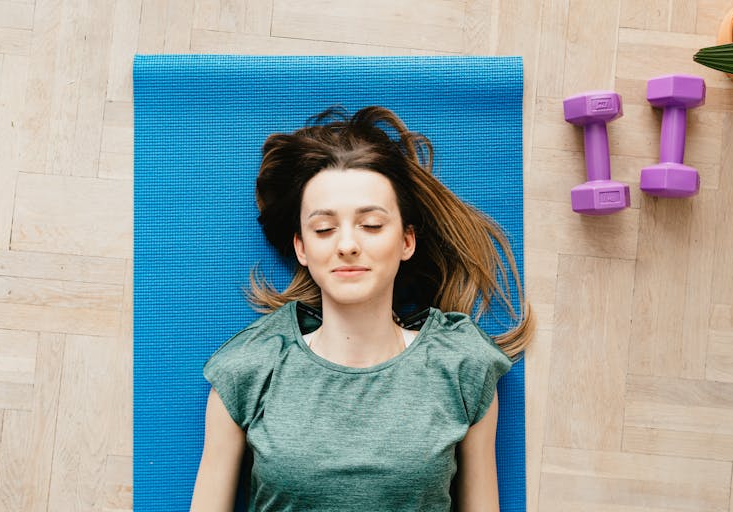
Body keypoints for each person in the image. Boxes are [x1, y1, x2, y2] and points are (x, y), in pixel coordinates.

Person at [190, 105, 534, 512]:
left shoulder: (461, 366)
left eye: (371, 225)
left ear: (407, 241)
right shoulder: (248, 369)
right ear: (302, 247)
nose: (348, 244)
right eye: (324, 229)